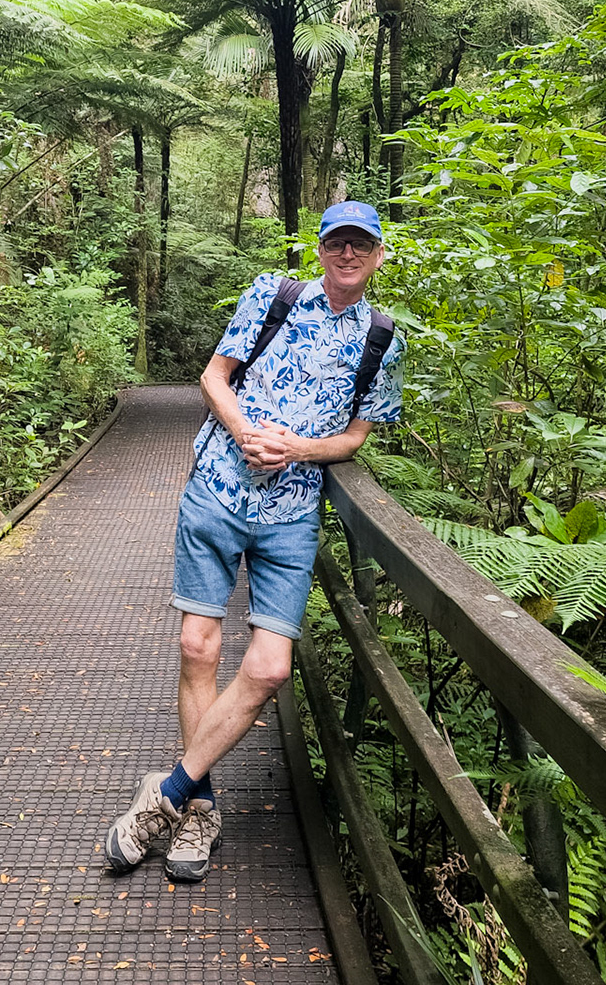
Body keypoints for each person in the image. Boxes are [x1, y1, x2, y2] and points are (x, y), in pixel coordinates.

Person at [102, 200, 404, 883]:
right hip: (216, 487)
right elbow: (215, 376)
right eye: (338, 243)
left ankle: (168, 792)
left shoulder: (382, 339)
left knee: (269, 669)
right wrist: (244, 432)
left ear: (379, 255)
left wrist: (300, 448)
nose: (348, 254)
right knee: (196, 645)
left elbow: (357, 436)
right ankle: (201, 808)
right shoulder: (274, 294)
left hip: (293, 513)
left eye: (361, 245)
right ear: (322, 249)